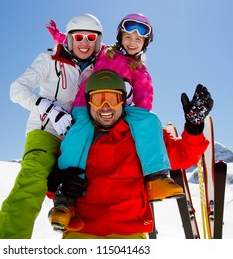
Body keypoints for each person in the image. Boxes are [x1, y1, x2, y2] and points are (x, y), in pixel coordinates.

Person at [46, 14, 184, 230]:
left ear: (145, 44)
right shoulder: (105, 52)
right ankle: (63, 203)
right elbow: (79, 43)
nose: (132, 42)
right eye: (128, 37)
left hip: (121, 109)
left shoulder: (140, 71)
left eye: (138, 40)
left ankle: (156, 178)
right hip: (87, 104)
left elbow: (145, 101)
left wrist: (129, 108)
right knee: (77, 137)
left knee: (150, 120)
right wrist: (57, 35)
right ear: (120, 36)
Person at [47, 69, 213, 239]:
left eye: (113, 100)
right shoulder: (74, 133)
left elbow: (183, 156)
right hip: (81, 230)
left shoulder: (144, 135)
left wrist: (194, 128)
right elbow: (49, 170)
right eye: (98, 100)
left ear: (123, 102)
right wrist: (56, 181)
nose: (106, 107)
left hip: (129, 232)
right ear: (89, 103)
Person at [0, 13, 103, 239]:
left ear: (98, 41)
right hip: (45, 132)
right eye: (78, 37)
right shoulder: (51, 58)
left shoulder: (100, 65)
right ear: (69, 39)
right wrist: (49, 108)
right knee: (32, 181)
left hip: (78, 137)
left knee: (80, 188)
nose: (84, 43)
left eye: (91, 38)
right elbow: (17, 89)